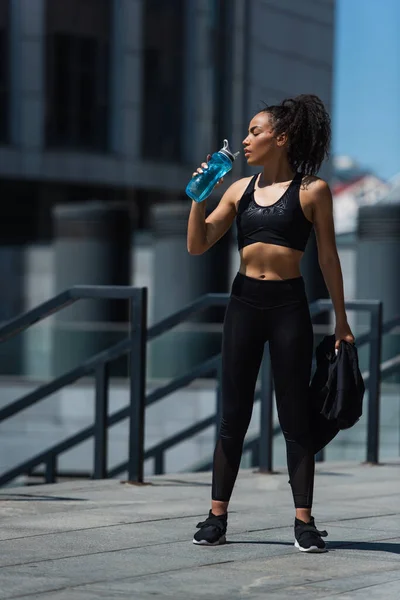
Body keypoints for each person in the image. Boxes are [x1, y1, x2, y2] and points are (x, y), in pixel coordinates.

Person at [186, 94, 355, 553]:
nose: (245, 140)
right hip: (244, 304)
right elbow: (198, 245)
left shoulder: (312, 191)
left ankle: (304, 523)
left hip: (288, 307)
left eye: (255, 132)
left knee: (294, 416)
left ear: (280, 139)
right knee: (233, 417)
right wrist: (198, 198)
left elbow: (328, 257)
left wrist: (341, 320)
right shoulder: (238, 190)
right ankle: (216, 518)